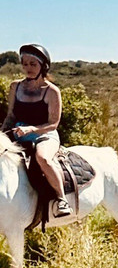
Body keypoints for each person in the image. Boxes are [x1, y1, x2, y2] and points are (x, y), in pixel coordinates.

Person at [1, 44, 72, 216]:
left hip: (44, 135)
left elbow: (53, 123)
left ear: (43, 66)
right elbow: (10, 116)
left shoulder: (52, 91)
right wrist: (2, 132)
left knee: (43, 158)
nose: (28, 68)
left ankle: (62, 200)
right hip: (18, 133)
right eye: (25, 64)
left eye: (33, 64)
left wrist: (31, 129)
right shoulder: (15, 87)